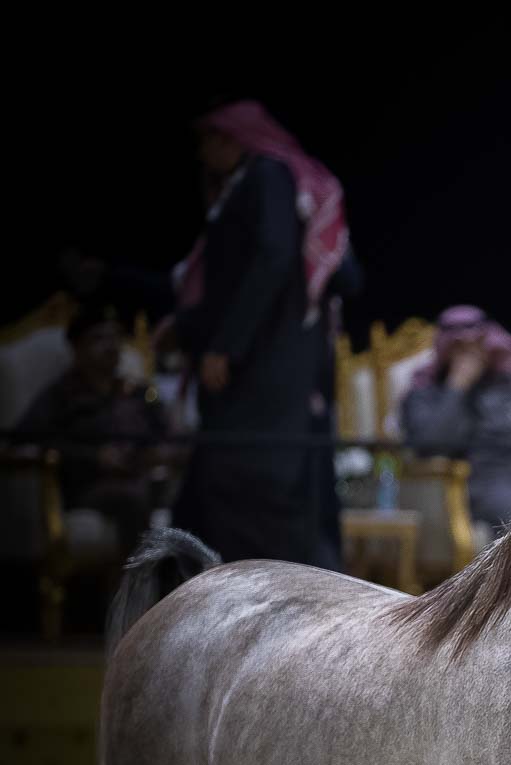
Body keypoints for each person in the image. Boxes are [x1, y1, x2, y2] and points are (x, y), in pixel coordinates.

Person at [164, 99, 350, 565]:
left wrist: (225, 346)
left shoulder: (267, 175)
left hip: (262, 380)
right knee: (215, 500)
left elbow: (273, 255)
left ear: (232, 138)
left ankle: (289, 606)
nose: (202, 152)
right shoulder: (251, 183)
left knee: (260, 501)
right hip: (260, 384)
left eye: (209, 139)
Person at [400, 305, 511, 532]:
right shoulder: (427, 392)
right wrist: (458, 385)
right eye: (461, 348)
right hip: (492, 481)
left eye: (477, 343)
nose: (472, 354)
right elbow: (432, 444)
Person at [17, 303, 169, 549]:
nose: (111, 345)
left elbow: (167, 434)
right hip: (90, 485)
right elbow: (25, 439)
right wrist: (94, 457)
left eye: (115, 337)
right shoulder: (61, 396)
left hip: (143, 475)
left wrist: (155, 452)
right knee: (131, 498)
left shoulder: (137, 392)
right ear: (77, 347)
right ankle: (144, 572)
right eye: (99, 338)